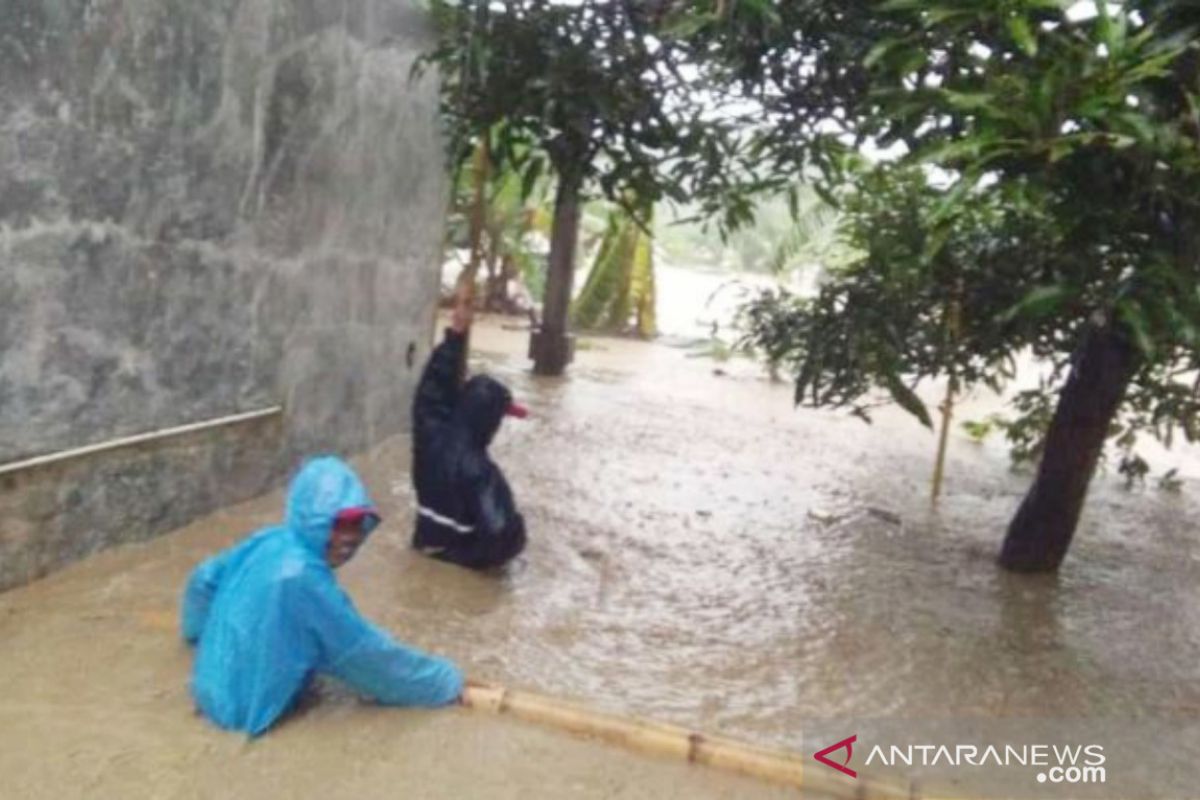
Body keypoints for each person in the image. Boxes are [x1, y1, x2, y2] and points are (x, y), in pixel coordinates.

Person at [181, 455, 463, 737]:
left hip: (204, 688)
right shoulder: (303, 579)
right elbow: (368, 657)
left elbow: (202, 582)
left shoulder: (268, 540)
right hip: (243, 716)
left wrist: (197, 636)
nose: (349, 537)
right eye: (338, 523)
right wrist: (448, 684)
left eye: (356, 524)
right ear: (312, 517)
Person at [411, 300, 528, 570]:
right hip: (457, 562)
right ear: (491, 420)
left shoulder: (429, 436)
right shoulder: (481, 472)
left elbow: (430, 390)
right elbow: (502, 537)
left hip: (423, 548)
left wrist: (456, 333)